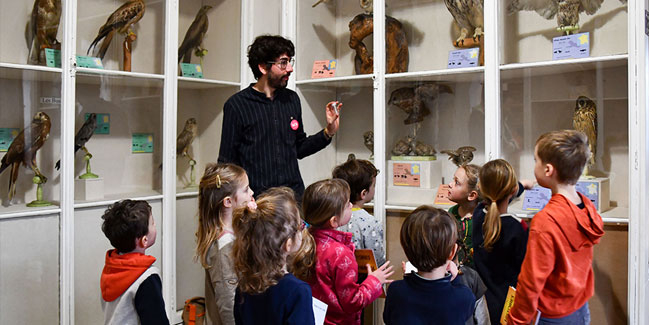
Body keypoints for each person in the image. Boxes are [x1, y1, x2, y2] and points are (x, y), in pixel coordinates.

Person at [218, 35, 341, 201]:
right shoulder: (236, 105)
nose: (290, 68)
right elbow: (227, 163)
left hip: (293, 198)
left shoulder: (292, 99)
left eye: (290, 61)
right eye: (283, 63)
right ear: (263, 67)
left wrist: (328, 131)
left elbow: (299, 147)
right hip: (257, 202)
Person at [507, 130, 604, 324]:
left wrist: (517, 320)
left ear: (548, 170)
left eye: (536, 160)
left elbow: (531, 281)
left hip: (551, 315)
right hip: (579, 309)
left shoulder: (546, 221)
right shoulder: (587, 207)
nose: (535, 165)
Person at [294, 179, 394, 325]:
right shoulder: (340, 254)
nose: (351, 205)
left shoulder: (303, 241)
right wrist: (374, 281)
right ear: (334, 221)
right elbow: (352, 302)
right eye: (347, 204)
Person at [231, 187, 315, 325]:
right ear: (288, 244)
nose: (303, 228)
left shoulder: (244, 287)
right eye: (300, 226)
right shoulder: (298, 292)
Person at [383, 206, 475, 324]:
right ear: (452, 252)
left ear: (407, 250)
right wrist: (456, 279)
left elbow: (388, 319)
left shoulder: (396, 291)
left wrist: (408, 279)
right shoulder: (464, 296)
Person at [195, 163, 254, 325]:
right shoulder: (224, 247)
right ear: (228, 202)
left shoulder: (234, 231)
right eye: (246, 189)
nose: (252, 193)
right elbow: (228, 304)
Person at [472, 159, 529, 324]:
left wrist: (521, 185)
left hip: (483, 304)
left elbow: (496, 199)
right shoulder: (517, 227)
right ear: (512, 190)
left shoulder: (478, 214)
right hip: (509, 304)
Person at [100, 199, 169, 325]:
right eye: (152, 223)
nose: (155, 224)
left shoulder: (111, 266)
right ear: (144, 240)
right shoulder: (147, 277)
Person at [332, 156, 386, 266]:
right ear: (364, 193)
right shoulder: (370, 223)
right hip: (364, 279)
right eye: (373, 185)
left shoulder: (331, 216)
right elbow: (378, 259)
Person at [447, 164, 481, 268]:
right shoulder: (452, 211)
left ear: (471, 195)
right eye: (453, 180)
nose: (450, 184)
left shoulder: (481, 218)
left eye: (457, 182)